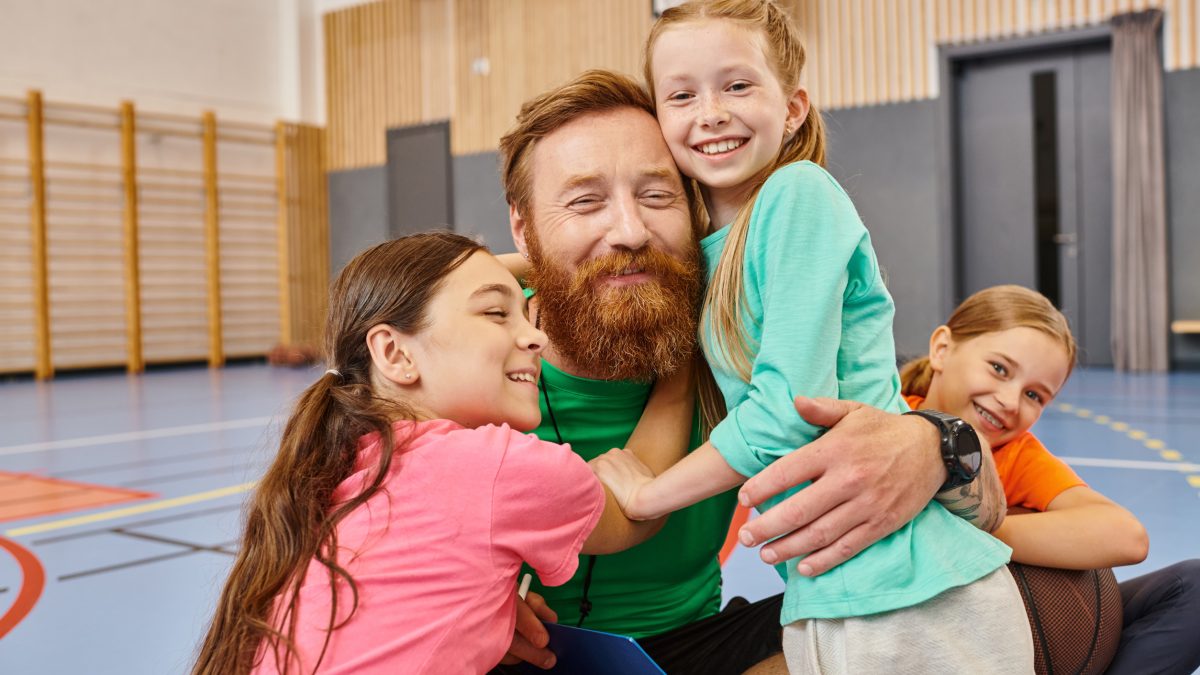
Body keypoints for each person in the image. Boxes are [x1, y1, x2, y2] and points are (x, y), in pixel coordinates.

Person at [495, 67, 1009, 674]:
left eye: (657, 195)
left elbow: (990, 512)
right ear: (524, 228)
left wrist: (937, 448)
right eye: (585, 202)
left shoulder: (738, 348)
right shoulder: (465, 366)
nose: (629, 232)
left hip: (705, 644)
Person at [191, 232, 666, 675]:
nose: (536, 337)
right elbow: (639, 509)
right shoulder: (495, 467)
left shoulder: (339, 463)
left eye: (524, 314)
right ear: (395, 354)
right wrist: (683, 354)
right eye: (497, 314)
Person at [901, 284, 1200, 675]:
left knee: (1194, 588)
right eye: (999, 369)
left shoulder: (1016, 454)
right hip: (919, 629)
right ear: (942, 348)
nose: (1010, 401)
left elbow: (1126, 536)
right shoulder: (892, 419)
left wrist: (978, 528)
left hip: (1009, 626)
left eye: (1034, 395)